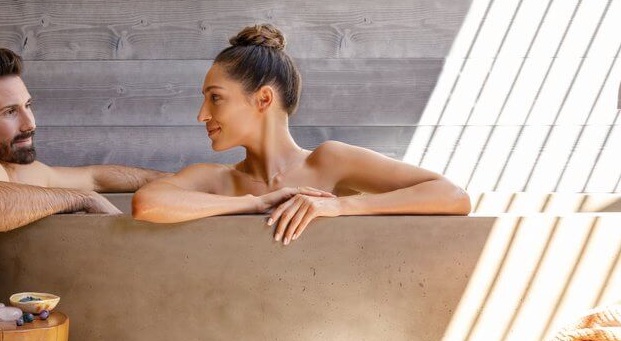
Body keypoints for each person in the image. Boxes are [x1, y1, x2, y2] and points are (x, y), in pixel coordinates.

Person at [132, 24, 470, 242]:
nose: (202, 114)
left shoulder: (330, 162)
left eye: (215, 98)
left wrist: (340, 207)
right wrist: (255, 203)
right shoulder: (215, 179)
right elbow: (147, 204)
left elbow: (452, 196)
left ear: (263, 98)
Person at [0, 48, 169, 232]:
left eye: (27, 106)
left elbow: (95, 177)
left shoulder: (25, 173)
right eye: (10, 112)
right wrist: (84, 199)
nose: (30, 123)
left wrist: (173, 180)